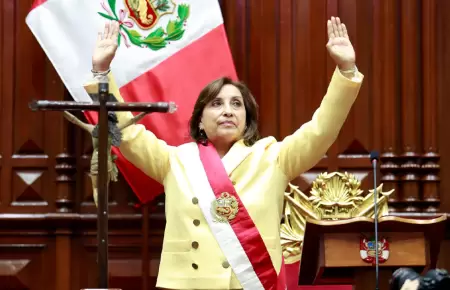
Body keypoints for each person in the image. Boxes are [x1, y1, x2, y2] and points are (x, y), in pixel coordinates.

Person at [84, 16, 364, 290]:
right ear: (200, 121)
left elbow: (322, 130)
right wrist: (101, 74)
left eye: (236, 104)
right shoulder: (174, 161)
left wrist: (346, 71)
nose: (228, 110)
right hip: (187, 285)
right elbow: (129, 135)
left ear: (247, 118)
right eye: (216, 104)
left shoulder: (274, 158)